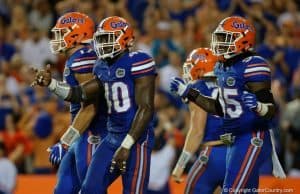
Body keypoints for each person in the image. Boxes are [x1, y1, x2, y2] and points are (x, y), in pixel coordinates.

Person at [32, 16, 156, 194]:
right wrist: (51, 84)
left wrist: (127, 145)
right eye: (101, 39)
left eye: (108, 39)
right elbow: (79, 93)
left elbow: (146, 108)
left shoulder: (139, 61)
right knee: (86, 190)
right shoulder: (101, 65)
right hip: (112, 136)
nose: (103, 44)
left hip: (133, 138)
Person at [170, 16, 277, 193]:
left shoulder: (201, 85)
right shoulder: (227, 71)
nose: (219, 43)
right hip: (236, 149)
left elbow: (196, 131)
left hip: (217, 152)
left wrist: (180, 164)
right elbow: (223, 108)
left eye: (225, 38)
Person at [32, 12, 107, 193]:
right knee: (63, 190)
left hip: (93, 133)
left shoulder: (83, 59)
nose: (56, 38)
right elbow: (75, 96)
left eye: (60, 33)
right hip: (81, 135)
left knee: (91, 190)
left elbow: (90, 107)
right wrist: (51, 84)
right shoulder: (77, 58)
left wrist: (65, 142)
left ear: (76, 34)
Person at [172, 48, 227, 194]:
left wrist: (180, 165)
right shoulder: (231, 83)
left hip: (214, 155)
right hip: (239, 154)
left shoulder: (197, 87)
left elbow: (197, 132)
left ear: (202, 69)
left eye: (192, 66)